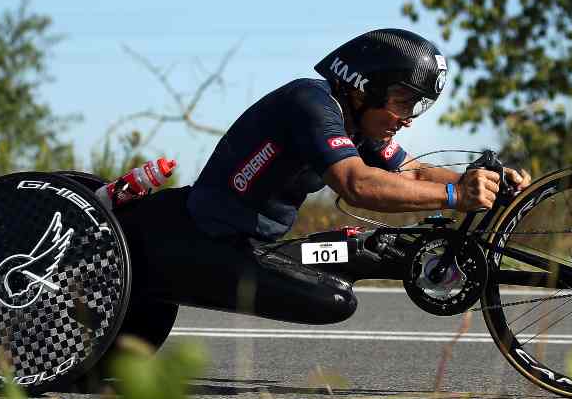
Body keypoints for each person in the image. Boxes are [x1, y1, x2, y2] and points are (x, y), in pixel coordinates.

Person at [113, 28, 532, 325]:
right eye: (403, 102)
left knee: (368, 250)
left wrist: (485, 183)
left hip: (254, 244)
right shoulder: (311, 103)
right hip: (204, 239)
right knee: (333, 300)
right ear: (363, 87)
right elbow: (356, 184)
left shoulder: (357, 122)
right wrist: (456, 195)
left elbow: (412, 170)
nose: (407, 119)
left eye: (417, 107)